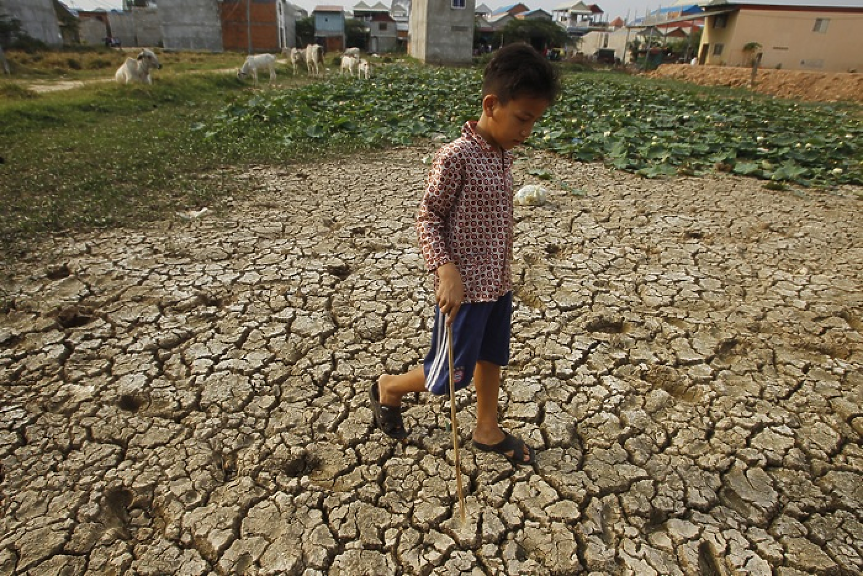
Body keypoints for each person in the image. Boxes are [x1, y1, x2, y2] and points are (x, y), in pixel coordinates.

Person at [370, 44, 560, 465]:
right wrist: (446, 270)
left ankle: (487, 429)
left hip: (497, 285)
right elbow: (428, 217)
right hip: (464, 292)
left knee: (491, 357)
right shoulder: (456, 156)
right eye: (523, 118)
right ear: (491, 105)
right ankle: (389, 387)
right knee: (448, 375)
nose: (528, 130)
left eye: (535, 120)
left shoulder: (502, 156)